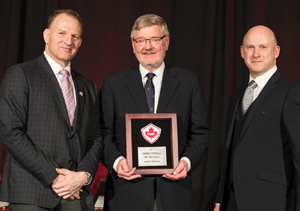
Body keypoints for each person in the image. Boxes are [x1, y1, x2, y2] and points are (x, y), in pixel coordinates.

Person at [99, 14, 209, 211]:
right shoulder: (113, 84)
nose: (147, 46)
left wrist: (186, 161)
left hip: (174, 194)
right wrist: (117, 162)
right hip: (126, 193)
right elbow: (103, 133)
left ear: (166, 42)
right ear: (133, 44)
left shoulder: (188, 82)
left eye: (154, 40)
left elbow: (200, 133)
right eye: (140, 40)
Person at [0, 9, 102, 211]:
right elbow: (11, 133)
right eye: (62, 33)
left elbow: (95, 137)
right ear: (47, 35)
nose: (69, 41)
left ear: (80, 42)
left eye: (75, 36)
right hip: (32, 193)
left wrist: (83, 176)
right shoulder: (21, 74)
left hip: (75, 196)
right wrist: (56, 177)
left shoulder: (87, 86)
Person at [214, 25, 300, 211]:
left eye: (263, 47)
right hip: (233, 203)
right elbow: (229, 152)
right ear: (242, 52)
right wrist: (220, 200)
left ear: (276, 51)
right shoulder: (237, 95)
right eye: (250, 47)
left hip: (272, 201)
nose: (256, 53)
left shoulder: (291, 93)